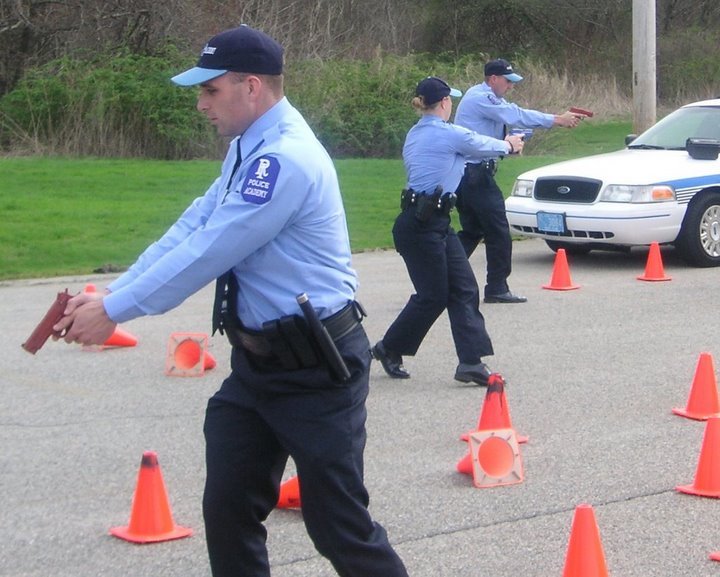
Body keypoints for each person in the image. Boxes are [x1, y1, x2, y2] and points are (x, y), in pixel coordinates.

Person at [53, 25, 409, 577]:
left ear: (251, 87)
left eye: (210, 90)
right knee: (227, 511)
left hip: (317, 371)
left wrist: (115, 312)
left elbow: (212, 250)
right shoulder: (252, 145)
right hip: (258, 369)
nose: (201, 104)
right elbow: (195, 224)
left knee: (340, 528)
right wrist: (114, 292)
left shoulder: (284, 158)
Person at [371, 76, 524, 384]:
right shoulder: (446, 134)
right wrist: (509, 144)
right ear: (444, 103)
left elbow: (471, 150)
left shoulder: (419, 132)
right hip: (420, 226)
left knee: (464, 288)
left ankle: (470, 362)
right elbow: (479, 143)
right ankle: (388, 348)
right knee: (433, 296)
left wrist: (501, 148)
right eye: (449, 100)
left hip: (435, 222)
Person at [454, 58, 584, 304]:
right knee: (499, 232)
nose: (511, 86)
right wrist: (558, 119)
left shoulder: (485, 97)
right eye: (507, 81)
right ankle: (496, 288)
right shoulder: (482, 97)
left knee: (472, 231)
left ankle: (439, 280)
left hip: (468, 174)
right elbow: (516, 115)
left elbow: (505, 121)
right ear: (493, 79)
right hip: (475, 175)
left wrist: (510, 142)